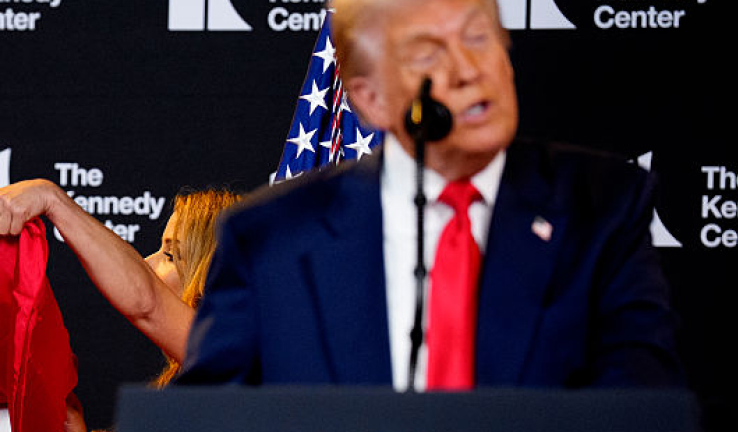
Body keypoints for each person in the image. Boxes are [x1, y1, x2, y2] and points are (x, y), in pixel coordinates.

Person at [178, 0, 682, 389]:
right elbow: (213, 430)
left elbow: (640, 419)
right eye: (429, 55)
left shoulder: (600, 209)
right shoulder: (273, 237)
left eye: (479, 38)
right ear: (371, 100)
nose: (468, 69)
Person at [0, 180, 238, 432]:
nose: (148, 264)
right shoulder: (184, 387)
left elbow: (145, 302)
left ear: (213, 278)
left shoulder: (234, 359)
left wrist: (52, 200)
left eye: (170, 255)